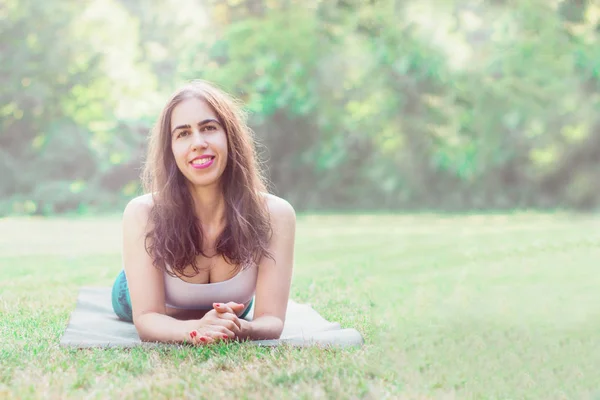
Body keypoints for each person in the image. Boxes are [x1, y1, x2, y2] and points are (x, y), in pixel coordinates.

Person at [111, 80, 296, 345]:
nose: (198, 143)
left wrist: (237, 328)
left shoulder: (276, 214)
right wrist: (197, 331)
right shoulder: (143, 213)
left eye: (209, 128)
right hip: (136, 293)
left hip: (225, 309)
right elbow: (147, 319)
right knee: (133, 289)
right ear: (171, 149)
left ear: (230, 136)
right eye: (183, 133)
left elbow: (271, 321)